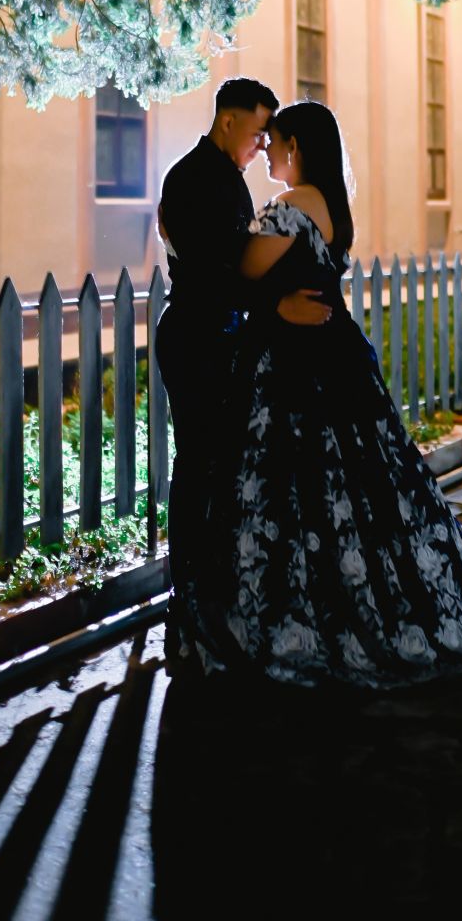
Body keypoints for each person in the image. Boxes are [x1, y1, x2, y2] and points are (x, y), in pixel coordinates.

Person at [167, 99, 462, 688]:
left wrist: (180, 239)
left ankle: (294, 613)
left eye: (276, 139)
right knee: (349, 487)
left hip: (295, 365)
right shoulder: (329, 204)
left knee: (294, 488)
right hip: (336, 355)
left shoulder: (294, 205)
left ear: (296, 146)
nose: (267, 150)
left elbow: (243, 268)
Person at [156, 78, 331, 633]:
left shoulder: (228, 178)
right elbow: (212, 273)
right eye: (258, 133)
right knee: (197, 461)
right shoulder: (190, 178)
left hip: (225, 336)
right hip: (194, 337)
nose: (262, 145)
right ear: (228, 121)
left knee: (223, 463)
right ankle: (186, 590)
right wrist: (277, 304)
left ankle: (216, 587)